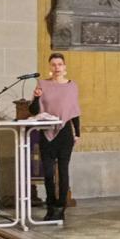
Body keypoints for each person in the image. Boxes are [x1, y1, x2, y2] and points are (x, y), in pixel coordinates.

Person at [29, 52, 81, 222]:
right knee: (49, 173)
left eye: (59, 64)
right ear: (50, 67)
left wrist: (78, 133)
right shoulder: (42, 84)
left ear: (64, 67)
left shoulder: (72, 86)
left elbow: (74, 111)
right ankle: (50, 206)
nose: (56, 67)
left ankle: (61, 207)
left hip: (65, 133)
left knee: (63, 171)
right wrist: (36, 98)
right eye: (53, 65)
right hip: (47, 131)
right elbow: (34, 111)